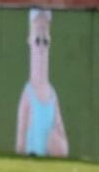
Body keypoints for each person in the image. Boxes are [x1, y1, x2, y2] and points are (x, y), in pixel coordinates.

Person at [16, 9, 68, 157]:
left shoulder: (52, 95)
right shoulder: (28, 94)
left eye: (45, 41)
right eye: (37, 40)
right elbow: (20, 138)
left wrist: (56, 143)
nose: (41, 47)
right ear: (30, 40)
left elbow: (62, 141)